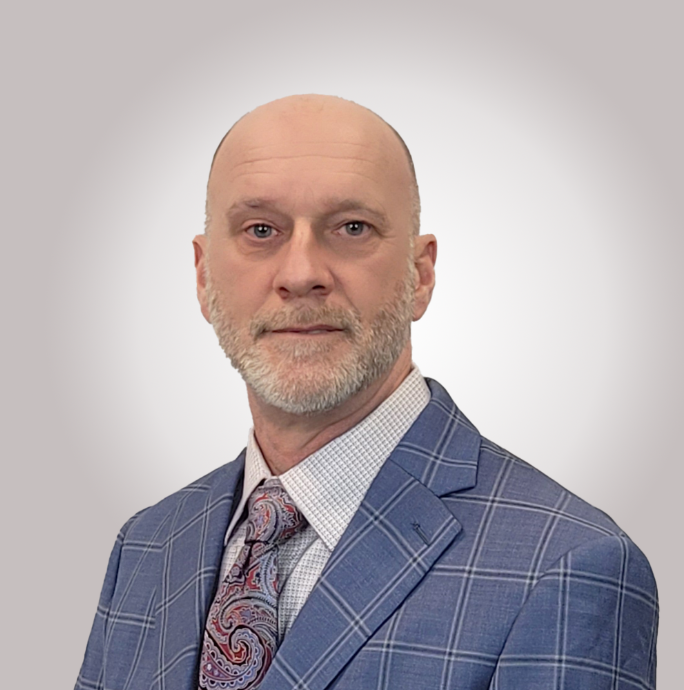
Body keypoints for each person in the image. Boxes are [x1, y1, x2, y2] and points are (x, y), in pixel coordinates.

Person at [75, 95, 658, 690]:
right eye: (260, 230)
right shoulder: (148, 546)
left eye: (352, 228)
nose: (301, 273)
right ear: (203, 276)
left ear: (420, 275)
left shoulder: (567, 565)